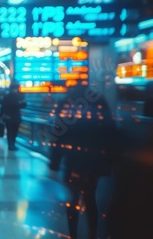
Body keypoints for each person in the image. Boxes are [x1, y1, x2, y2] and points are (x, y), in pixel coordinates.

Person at [49, 84, 116, 239]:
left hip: (73, 158)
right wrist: (109, 159)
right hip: (94, 159)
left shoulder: (66, 103)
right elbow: (110, 129)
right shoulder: (99, 101)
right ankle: (92, 233)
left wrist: (55, 161)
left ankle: (73, 233)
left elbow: (57, 134)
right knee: (90, 197)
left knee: (72, 198)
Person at [0, 83, 26, 151]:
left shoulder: (6, 96)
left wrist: (2, 115)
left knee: (10, 131)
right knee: (14, 131)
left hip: (9, 116)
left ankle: (10, 145)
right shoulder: (19, 96)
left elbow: (3, 106)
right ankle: (12, 144)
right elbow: (23, 105)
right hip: (16, 116)